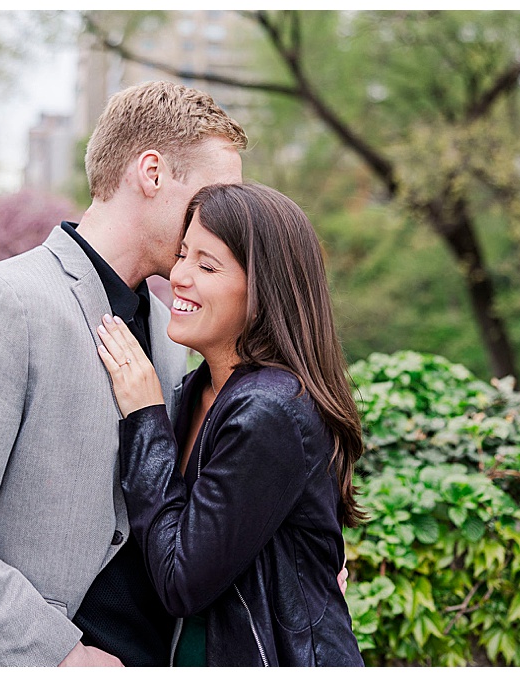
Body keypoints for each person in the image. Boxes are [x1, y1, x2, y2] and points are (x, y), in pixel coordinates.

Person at [0, 81, 247, 667]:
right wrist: (59, 654)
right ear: (151, 172)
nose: (227, 219)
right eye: (214, 195)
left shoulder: (171, 332)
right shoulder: (6, 303)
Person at [93, 183, 364, 666]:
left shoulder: (270, 409)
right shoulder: (199, 390)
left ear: (264, 289)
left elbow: (180, 581)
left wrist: (144, 417)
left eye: (207, 265)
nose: (178, 276)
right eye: (182, 255)